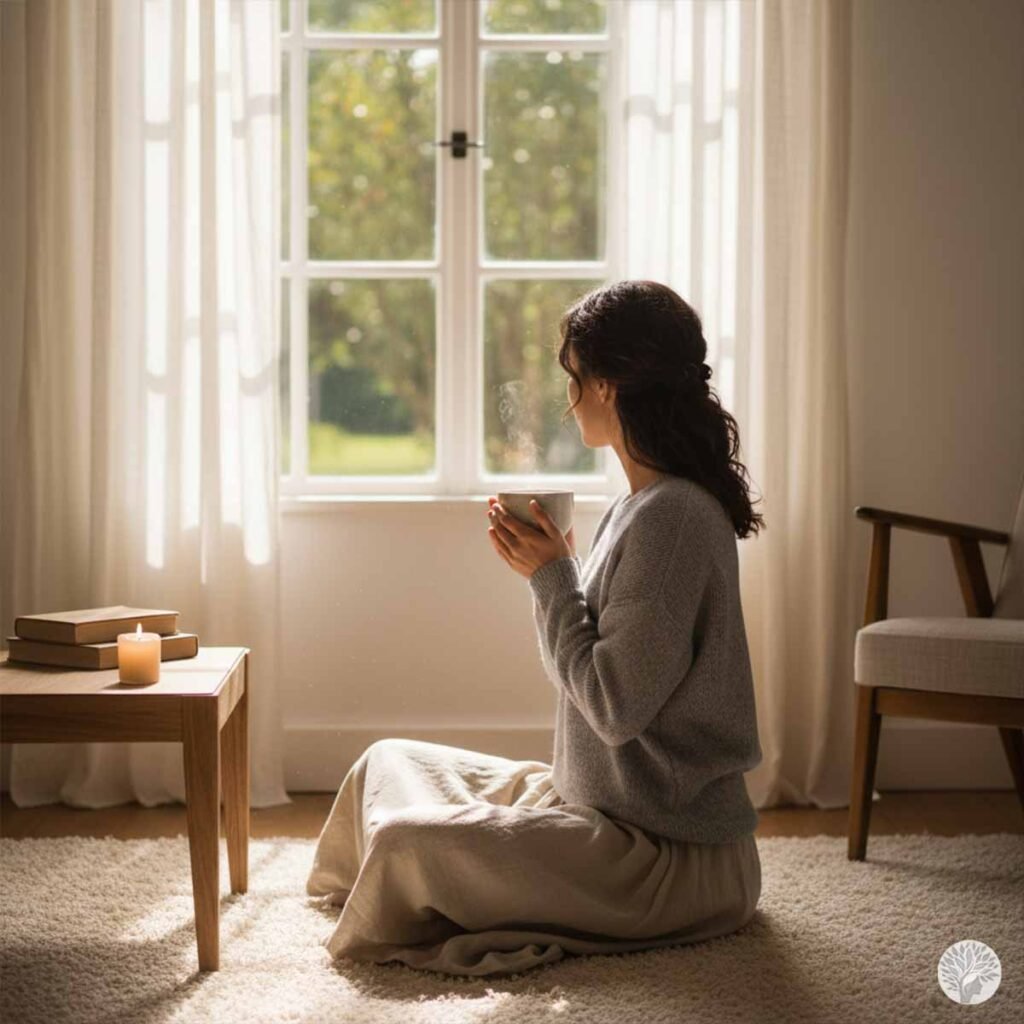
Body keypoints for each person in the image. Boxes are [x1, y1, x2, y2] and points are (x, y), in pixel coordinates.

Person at [305, 279, 766, 977]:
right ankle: (408, 887)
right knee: (388, 761)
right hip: (593, 808)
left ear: (608, 386)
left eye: (574, 377)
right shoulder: (637, 507)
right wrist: (553, 573)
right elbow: (590, 675)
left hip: (667, 859)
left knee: (406, 842)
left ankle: (406, 889)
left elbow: (613, 708)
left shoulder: (673, 518)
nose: (569, 396)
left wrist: (552, 578)